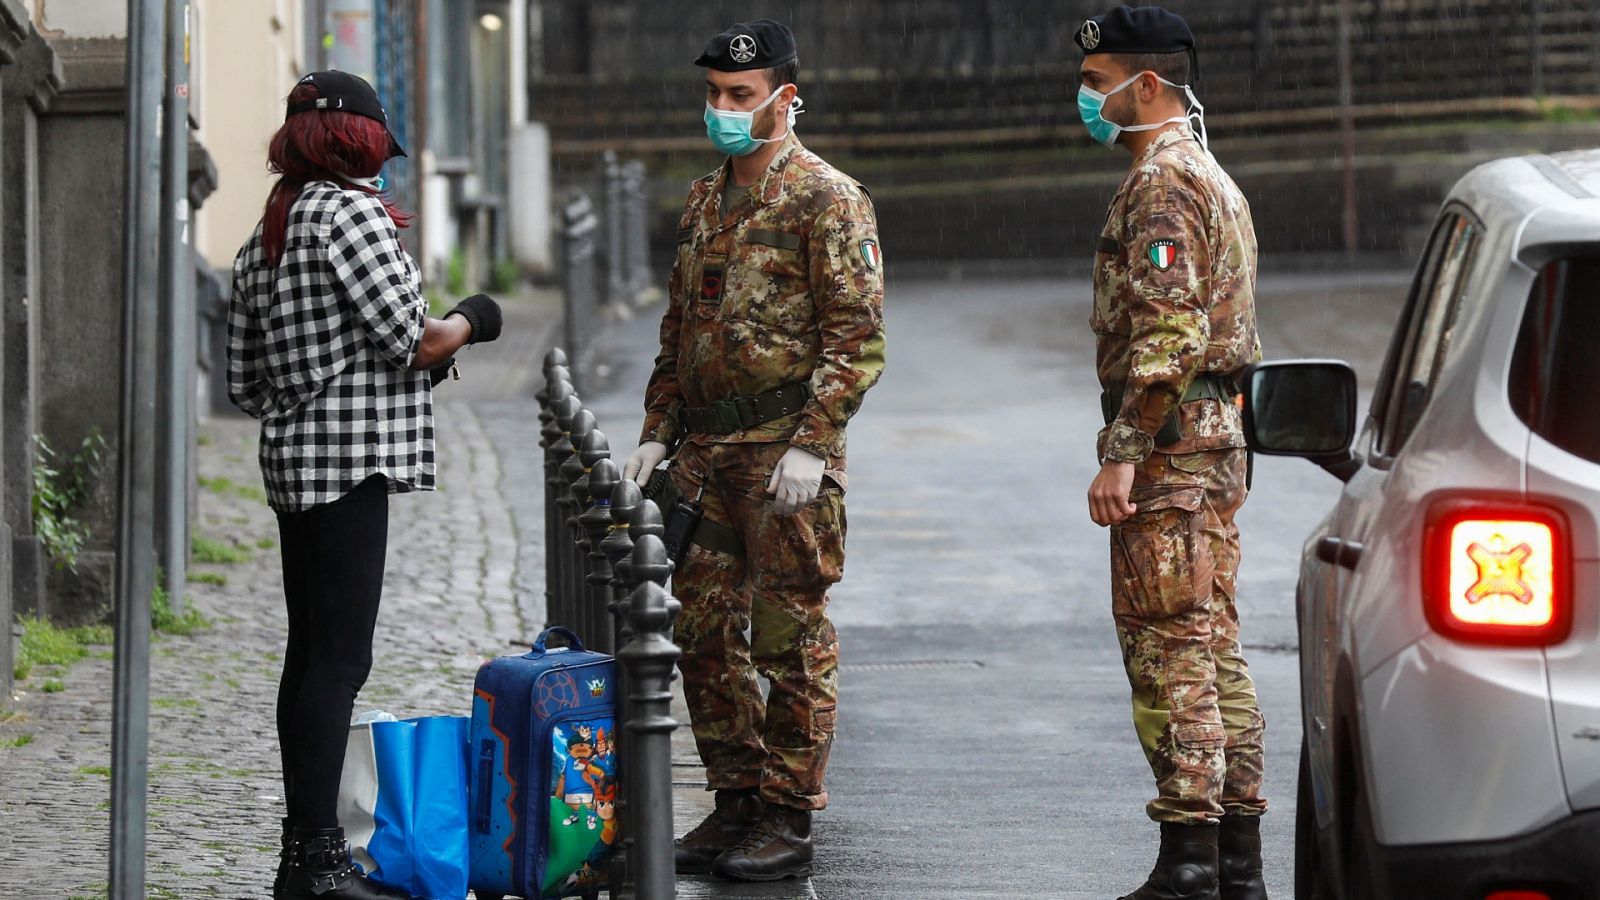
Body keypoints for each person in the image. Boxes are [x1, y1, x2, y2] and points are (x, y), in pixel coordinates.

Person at [620, 18, 886, 883]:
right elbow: (678, 332)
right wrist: (658, 431)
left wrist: (814, 444)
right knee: (697, 631)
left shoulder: (827, 198)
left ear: (786, 99)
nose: (724, 110)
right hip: (707, 452)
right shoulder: (705, 201)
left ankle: (787, 812)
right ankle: (732, 799)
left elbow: (857, 337)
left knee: (789, 638)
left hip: (783, 457)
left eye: (741, 96)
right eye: (714, 96)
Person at [227, 70, 503, 900]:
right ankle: (316, 864)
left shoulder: (269, 225)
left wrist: (311, 380)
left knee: (310, 656)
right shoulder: (350, 214)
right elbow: (412, 342)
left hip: (294, 461)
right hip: (349, 461)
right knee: (339, 660)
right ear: (364, 139)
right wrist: (474, 320)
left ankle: (300, 858)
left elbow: (244, 380)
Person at [1075, 7, 1268, 900]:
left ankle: (1189, 857)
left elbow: (1168, 334)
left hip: (1172, 447)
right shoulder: (1207, 171)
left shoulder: (1160, 185)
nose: (1085, 97)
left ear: (1145, 85)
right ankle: (1237, 863)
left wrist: (1124, 448)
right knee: (1213, 642)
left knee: (1169, 648)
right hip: (1213, 441)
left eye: (1094, 79)